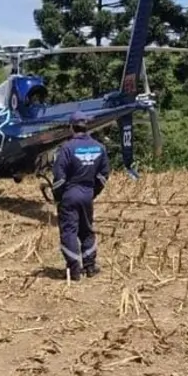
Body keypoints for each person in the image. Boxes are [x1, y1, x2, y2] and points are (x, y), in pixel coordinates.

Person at [50, 111, 109, 280]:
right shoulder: (99, 147)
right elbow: (104, 175)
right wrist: (92, 192)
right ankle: (90, 267)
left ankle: (74, 269)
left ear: (71, 127)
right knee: (87, 231)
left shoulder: (66, 149)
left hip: (69, 195)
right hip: (87, 195)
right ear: (86, 126)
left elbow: (59, 178)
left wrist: (58, 197)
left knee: (69, 232)